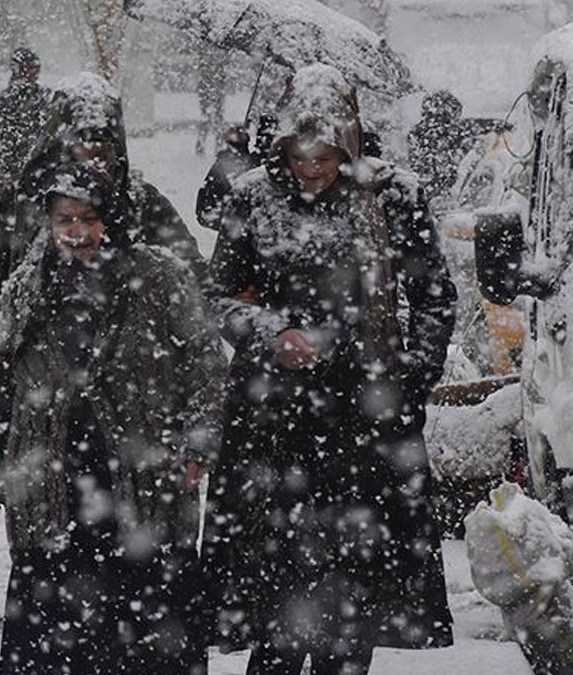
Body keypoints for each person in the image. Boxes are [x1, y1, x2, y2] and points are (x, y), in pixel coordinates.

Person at [201, 63, 458, 675]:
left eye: (325, 155)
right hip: (273, 420)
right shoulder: (254, 196)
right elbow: (214, 296)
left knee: (353, 605)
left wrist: (410, 379)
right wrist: (271, 333)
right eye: (300, 155)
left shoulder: (391, 194)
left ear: (349, 142)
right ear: (282, 144)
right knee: (276, 604)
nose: (312, 169)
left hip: (366, 424)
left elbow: (434, 297)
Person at [0, 165, 224, 674]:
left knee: (147, 628)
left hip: (143, 479)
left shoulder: (159, 275)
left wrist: (198, 441)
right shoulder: (26, 287)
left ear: (114, 217)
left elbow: (206, 361)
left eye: (89, 217)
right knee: (54, 633)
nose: (77, 232)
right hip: (50, 480)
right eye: (64, 219)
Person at [0, 73, 205, 550]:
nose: (93, 163)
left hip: (133, 426)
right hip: (44, 427)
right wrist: (17, 355)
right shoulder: (21, 206)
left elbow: (196, 300)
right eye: (81, 149)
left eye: (103, 152)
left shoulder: (144, 206)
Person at [0, 47, 52, 204]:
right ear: (17, 69)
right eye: (28, 67)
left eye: (36, 68)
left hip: (34, 174)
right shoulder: (2, 102)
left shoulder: (46, 98)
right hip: (20, 174)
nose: (33, 72)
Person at [407, 89, 472, 203]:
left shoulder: (417, 132)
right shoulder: (449, 131)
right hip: (436, 188)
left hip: (425, 188)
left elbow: (415, 163)